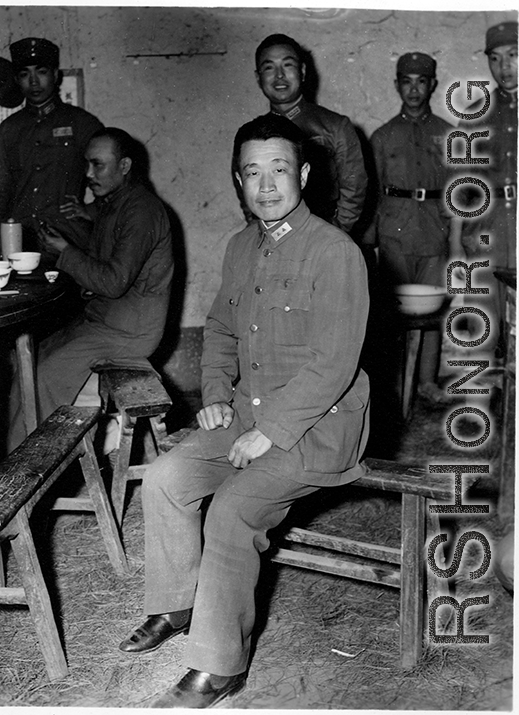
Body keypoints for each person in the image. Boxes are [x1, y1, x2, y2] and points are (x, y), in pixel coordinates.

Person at [119, 114, 370, 708]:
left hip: (319, 426)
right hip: (247, 412)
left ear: (304, 175)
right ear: (238, 181)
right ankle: (178, 604)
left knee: (231, 511)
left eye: (279, 170)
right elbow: (222, 329)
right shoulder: (240, 245)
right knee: (166, 477)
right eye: (252, 173)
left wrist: (270, 433)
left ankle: (220, 664)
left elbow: (334, 364)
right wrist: (212, 396)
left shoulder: (336, 253)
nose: (266, 185)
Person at [7, 127, 174, 452]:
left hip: (128, 331)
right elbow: (106, 234)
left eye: (98, 165)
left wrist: (65, 251)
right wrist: (78, 224)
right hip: (103, 320)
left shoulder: (142, 210)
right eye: (87, 164)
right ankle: (17, 456)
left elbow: (112, 282)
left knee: (44, 377)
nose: (88, 174)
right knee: (27, 360)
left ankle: (37, 469)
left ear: (124, 166)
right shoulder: (116, 201)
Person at [367, 52, 457, 405]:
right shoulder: (383, 136)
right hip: (394, 232)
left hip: (433, 230)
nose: (414, 89)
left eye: (421, 81)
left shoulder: (447, 135)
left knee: (435, 311)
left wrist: (453, 235)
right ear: (397, 85)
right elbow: (372, 192)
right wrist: (370, 240)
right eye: (407, 81)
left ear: (432, 85)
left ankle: (426, 383)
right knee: (393, 312)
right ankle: (393, 382)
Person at [0, 37, 103, 256]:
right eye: (24, 74)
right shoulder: (10, 128)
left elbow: (114, 176)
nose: (34, 81)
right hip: (20, 241)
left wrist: (91, 211)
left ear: (55, 75)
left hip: (69, 240)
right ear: (17, 80)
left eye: (41, 71)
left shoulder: (81, 123)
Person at [254, 33, 367, 233]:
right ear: (258, 77)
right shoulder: (252, 134)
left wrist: (336, 231)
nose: (279, 75)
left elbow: (354, 188)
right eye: (269, 67)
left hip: (323, 232)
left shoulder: (335, 126)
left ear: (303, 71)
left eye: (287, 65)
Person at [457, 21, 517, 358]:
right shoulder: (476, 115)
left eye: (513, 55)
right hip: (488, 228)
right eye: (495, 58)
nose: (503, 67)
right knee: (486, 323)